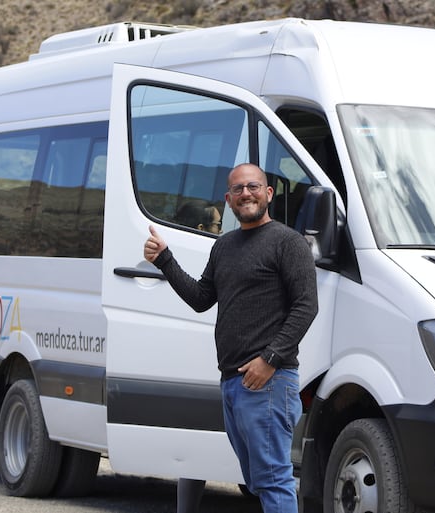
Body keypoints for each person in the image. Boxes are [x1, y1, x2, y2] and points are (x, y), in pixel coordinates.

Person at [143, 163, 319, 513]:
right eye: (238, 190)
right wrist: (165, 260)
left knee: (273, 479)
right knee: (258, 480)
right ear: (228, 199)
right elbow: (200, 298)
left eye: (253, 187)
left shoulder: (288, 242)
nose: (246, 194)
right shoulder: (224, 247)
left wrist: (269, 360)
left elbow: (306, 307)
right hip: (233, 383)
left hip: (268, 381)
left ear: (268, 193)